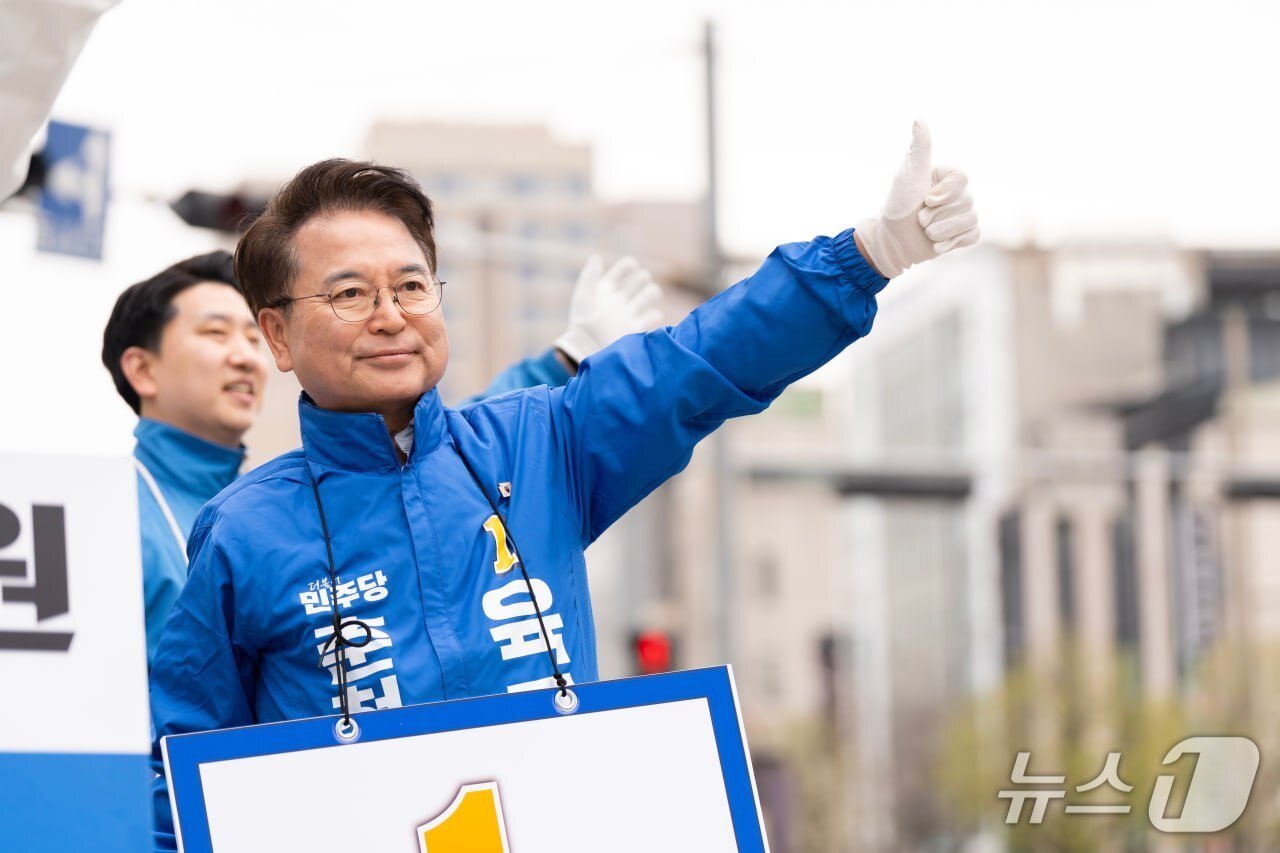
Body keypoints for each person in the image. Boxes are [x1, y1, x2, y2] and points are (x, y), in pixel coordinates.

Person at [148, 122, 978, 848]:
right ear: (279, 336)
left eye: (409, 285)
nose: (390, 313)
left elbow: (701, 360)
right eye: (349, 293)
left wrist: (870, 253)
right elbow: (181, 779)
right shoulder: (243, 531)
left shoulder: (539, 441)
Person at [104, 250, 662, 668]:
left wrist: (564, 361)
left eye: (253, 337)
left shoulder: (267, 511)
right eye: (215, 333)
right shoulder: (111, 517)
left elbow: (430, 462)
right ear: (142, 370)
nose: (243, 356)